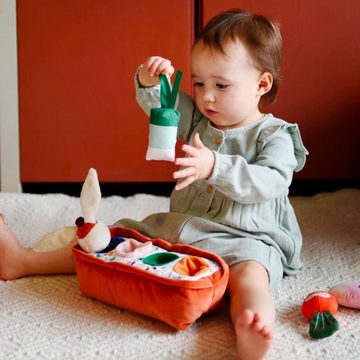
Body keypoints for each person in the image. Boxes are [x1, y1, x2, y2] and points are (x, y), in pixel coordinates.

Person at [0, 9, 308, 360]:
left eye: (221, 85)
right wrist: (151, 81)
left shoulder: (276, 135)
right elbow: (166, 105)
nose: (207, 96)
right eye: (199, 83)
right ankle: (24, 262)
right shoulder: (200, 118)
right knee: (110, 238)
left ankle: (250, 329)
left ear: (262, 84)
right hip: (184, 228)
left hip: (248, 239)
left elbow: (269, 182)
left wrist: (214, 166)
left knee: (251, 279)